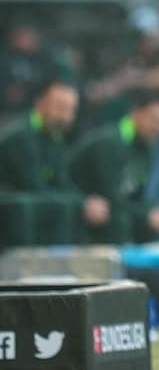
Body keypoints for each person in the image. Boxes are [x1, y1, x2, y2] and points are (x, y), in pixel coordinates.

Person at [67, 90, 159, 245]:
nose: (158, 128)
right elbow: (113, 200)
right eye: (154, 120)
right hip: (79, 218)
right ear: (135, 112)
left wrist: (158, 213)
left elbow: (136, 197)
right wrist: (147, 217)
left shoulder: (147, 148)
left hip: (111, 215)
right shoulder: (111, 142)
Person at [0, 80, 109, 247]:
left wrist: (86, 202)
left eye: (70, 110)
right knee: (61, 206)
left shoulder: (54, 137)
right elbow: (35, 186)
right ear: (39, 103)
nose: (65, 116)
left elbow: (62, 183)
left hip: (33, 209)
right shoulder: (21, 137)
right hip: (13, 211)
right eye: (59, 107)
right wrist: (81, 205)